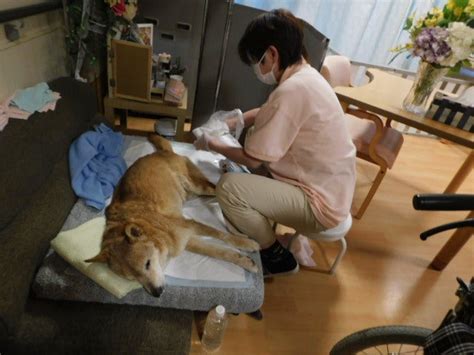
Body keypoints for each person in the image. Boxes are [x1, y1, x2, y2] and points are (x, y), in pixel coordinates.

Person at [194, 9, 356, 277]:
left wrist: (211, 143)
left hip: (320, 204)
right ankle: (271, 238)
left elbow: (252, 158)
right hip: (334, 188)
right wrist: (232, 121)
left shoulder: (293, 90)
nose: (258, 70)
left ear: (271, 54)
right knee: (245, 168)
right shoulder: (306, 76)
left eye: (257, 62)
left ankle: (275, 256)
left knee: (230, 189)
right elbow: (270, 110)